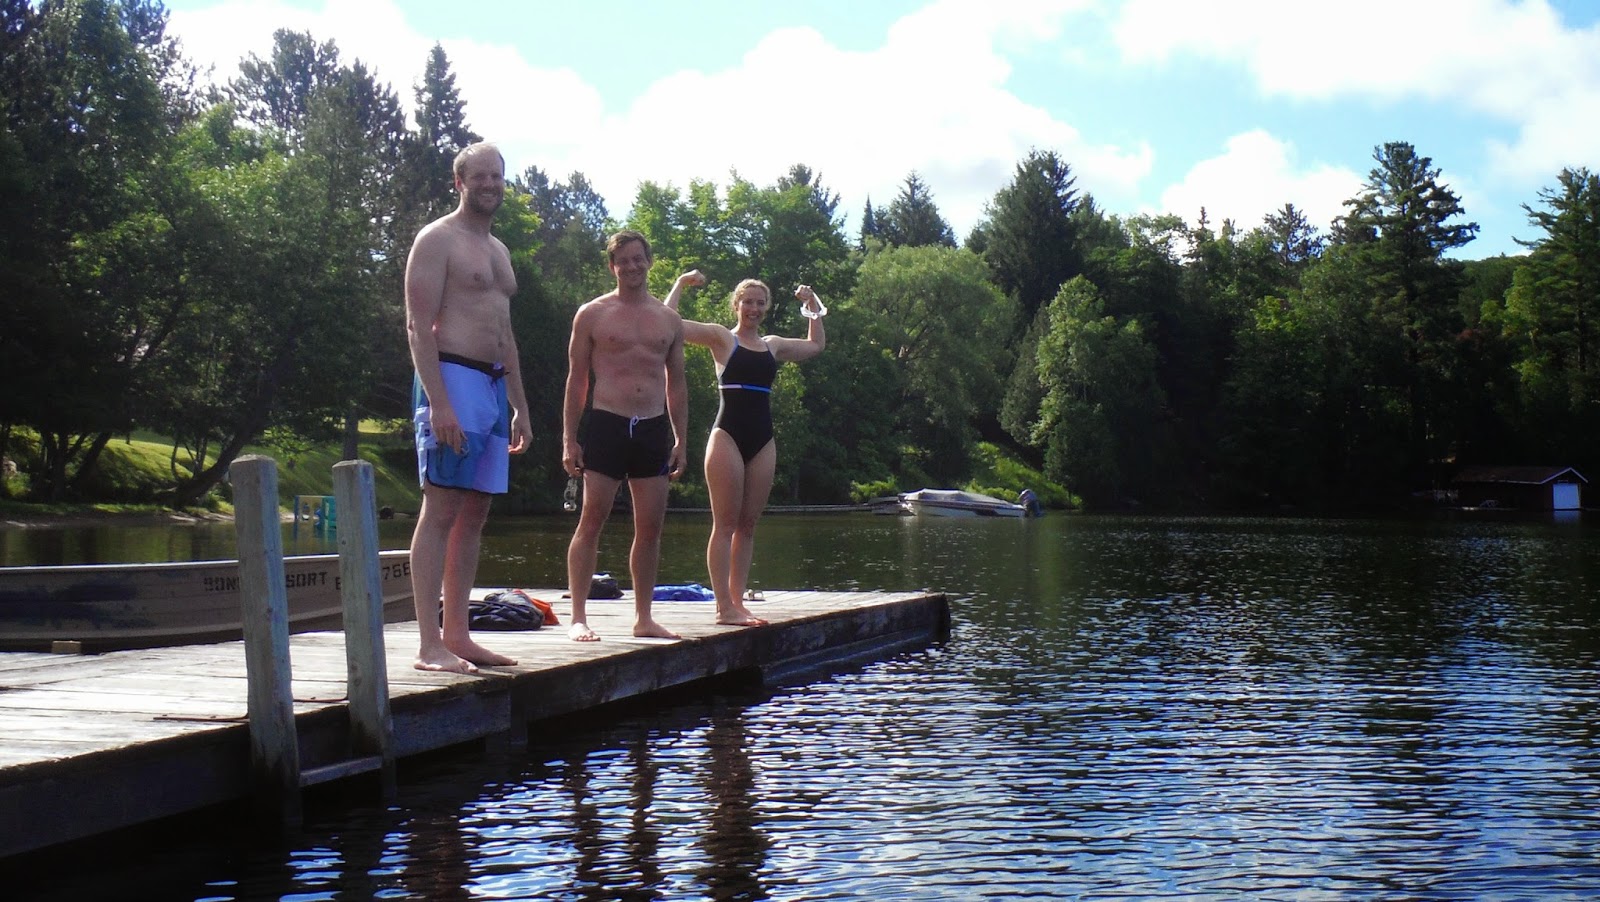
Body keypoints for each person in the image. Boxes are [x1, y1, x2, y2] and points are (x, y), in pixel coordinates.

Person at [404, 142, 530, 674]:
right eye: (479, 176)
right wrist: (439, 403)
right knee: (441, 508)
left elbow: (506, 334)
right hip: (452, 377)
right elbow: (417, 325)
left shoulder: (499, 250)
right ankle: (428, 644)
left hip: (493, 386)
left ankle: (458, 634)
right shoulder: (438, 239)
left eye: (496, 176)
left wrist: (520, 406)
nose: (489, 184)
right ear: (459, 182)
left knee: (475, 512)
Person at [664, 271, 826, 626]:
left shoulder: (772, 345)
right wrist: (680, 283)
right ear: (736, 305)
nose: (754, 308)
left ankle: (738, 603)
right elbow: (668, 322)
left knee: (748, 526)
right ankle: (723, 606)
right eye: (748, 302)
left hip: (762, 438)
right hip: (727, 435)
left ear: (766, 307)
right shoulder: (722, 338)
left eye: (760, 303)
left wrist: (812, 304)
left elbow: (815, 345)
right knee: (725, 524)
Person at [562, 230, 688, 642]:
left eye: (638, 259)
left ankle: (644, 617)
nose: (632, 267)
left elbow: (677, 384)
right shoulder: (592, 314)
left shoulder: (668, 320)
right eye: (624, 261)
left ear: (649, 261)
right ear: (612, 266)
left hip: (651, 427)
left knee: (650, 527)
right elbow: (577, 379)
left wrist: (681, 439)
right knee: (591, 519)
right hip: (607, 423)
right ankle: (578, 617)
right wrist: (569, 438)